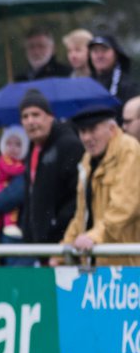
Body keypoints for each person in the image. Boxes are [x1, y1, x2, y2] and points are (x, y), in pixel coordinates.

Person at [0, 90, 85, 262]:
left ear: (50, 117)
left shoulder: (68, 145)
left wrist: (58, 231)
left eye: (36, 115)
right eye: (25, 116)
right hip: (38, 245)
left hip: (64, 244)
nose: (30, 121)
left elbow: (78, 196)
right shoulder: (34, 148)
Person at [54, 105, 140, 266]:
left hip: (128, 268)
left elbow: (125, 207)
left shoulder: (129, 149)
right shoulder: (87, 160)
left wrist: (94, 236)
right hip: (98, 266)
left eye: (92, 129)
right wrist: (62, 251)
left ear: (112, 129)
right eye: (82, 131)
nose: (86, 137)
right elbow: (81, 215)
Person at [0, 127, 28, 245]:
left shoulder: (18, 160)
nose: (12, 148)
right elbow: (12, 170)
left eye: (18, 145)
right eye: (9, 144)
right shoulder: (5, 159)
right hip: (0, 189)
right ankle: (9, 226)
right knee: (8, 207)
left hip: (4, 189)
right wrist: (26, 169)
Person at [89, 35, 140, 113]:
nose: (99, 56)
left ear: (116, 54)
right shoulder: (85, 85)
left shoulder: (128, 87)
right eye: (95, 51)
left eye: (104, 50)